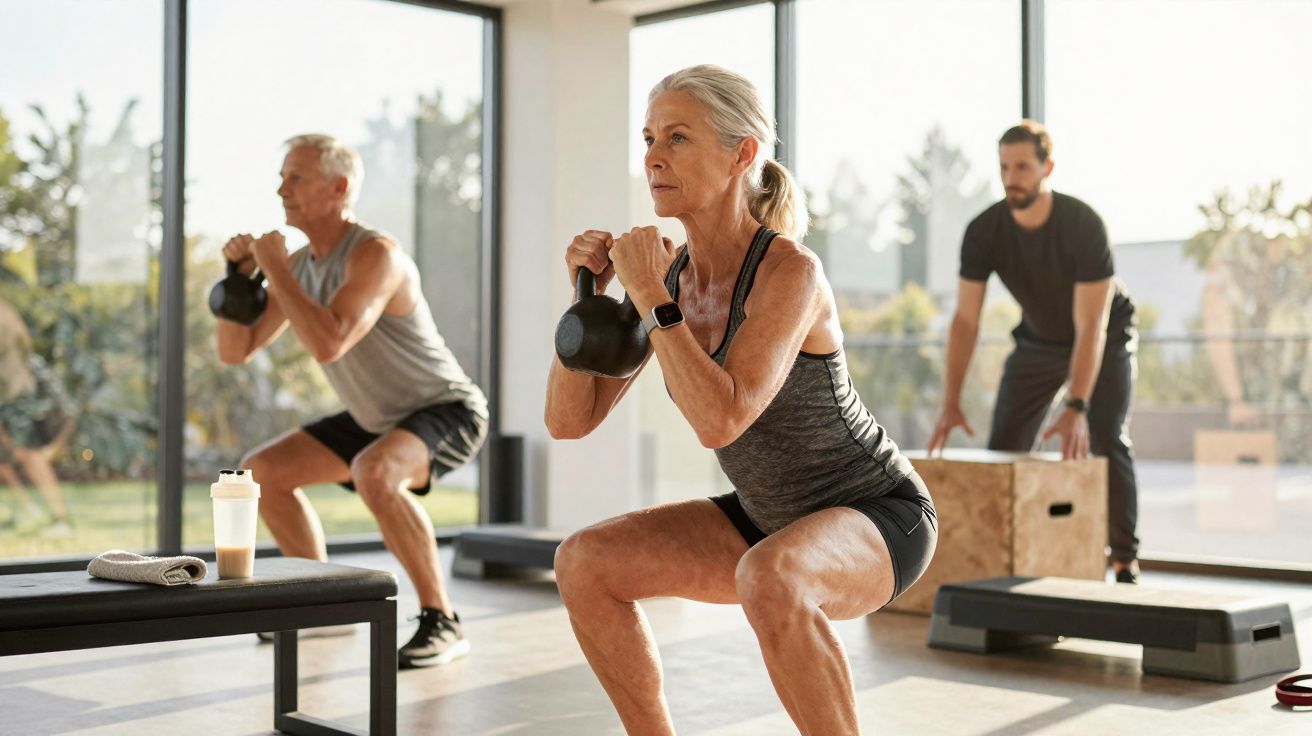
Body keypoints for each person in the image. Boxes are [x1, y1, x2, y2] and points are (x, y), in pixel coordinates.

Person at [545, 65, 937, 735]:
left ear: (742, 153)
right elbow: (569, 420)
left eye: (677, 138)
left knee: (772, 576)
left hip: (875, 514)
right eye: (647, 139)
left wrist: (650, 299)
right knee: (583, 562)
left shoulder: (790, 271)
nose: (654, 158)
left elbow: (721, 418)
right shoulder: (665, 277)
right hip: (765, 518)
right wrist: (587, 303)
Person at [216, 134, 488, 668]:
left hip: (443, 408)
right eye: (281, 176)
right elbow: (237, 350)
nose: (281, 189)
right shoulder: (297, 265)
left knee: (375, 472)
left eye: (295, 177)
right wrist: (239, 281)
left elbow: (329, 340)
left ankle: (443, 619)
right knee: (261, 472)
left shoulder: (376, 255)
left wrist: (274, 269)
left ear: (339, 188)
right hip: (375, 416)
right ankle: (325, 607)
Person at [927, 119, 1141, 583]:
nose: (1011, 178)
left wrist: (1077, 405)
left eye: (1023, 166)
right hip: (1039, 338)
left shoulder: (1083, 225)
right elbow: (965, 321)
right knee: (1003, 448)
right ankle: (1001, 561)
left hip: (1103, 331)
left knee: (1105, 436)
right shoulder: (984, 231)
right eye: (1004, 167)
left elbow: (1091, 326)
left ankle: (1123, 560)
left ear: (1048, 167)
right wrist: (949, 403)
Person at [0, 296, 75, 538]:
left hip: (15, 393)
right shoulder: (6, 308)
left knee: (29, 456)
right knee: (6, 457)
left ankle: (61, 518)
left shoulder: (3, 313)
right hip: (11, 391)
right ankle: (26, 509)